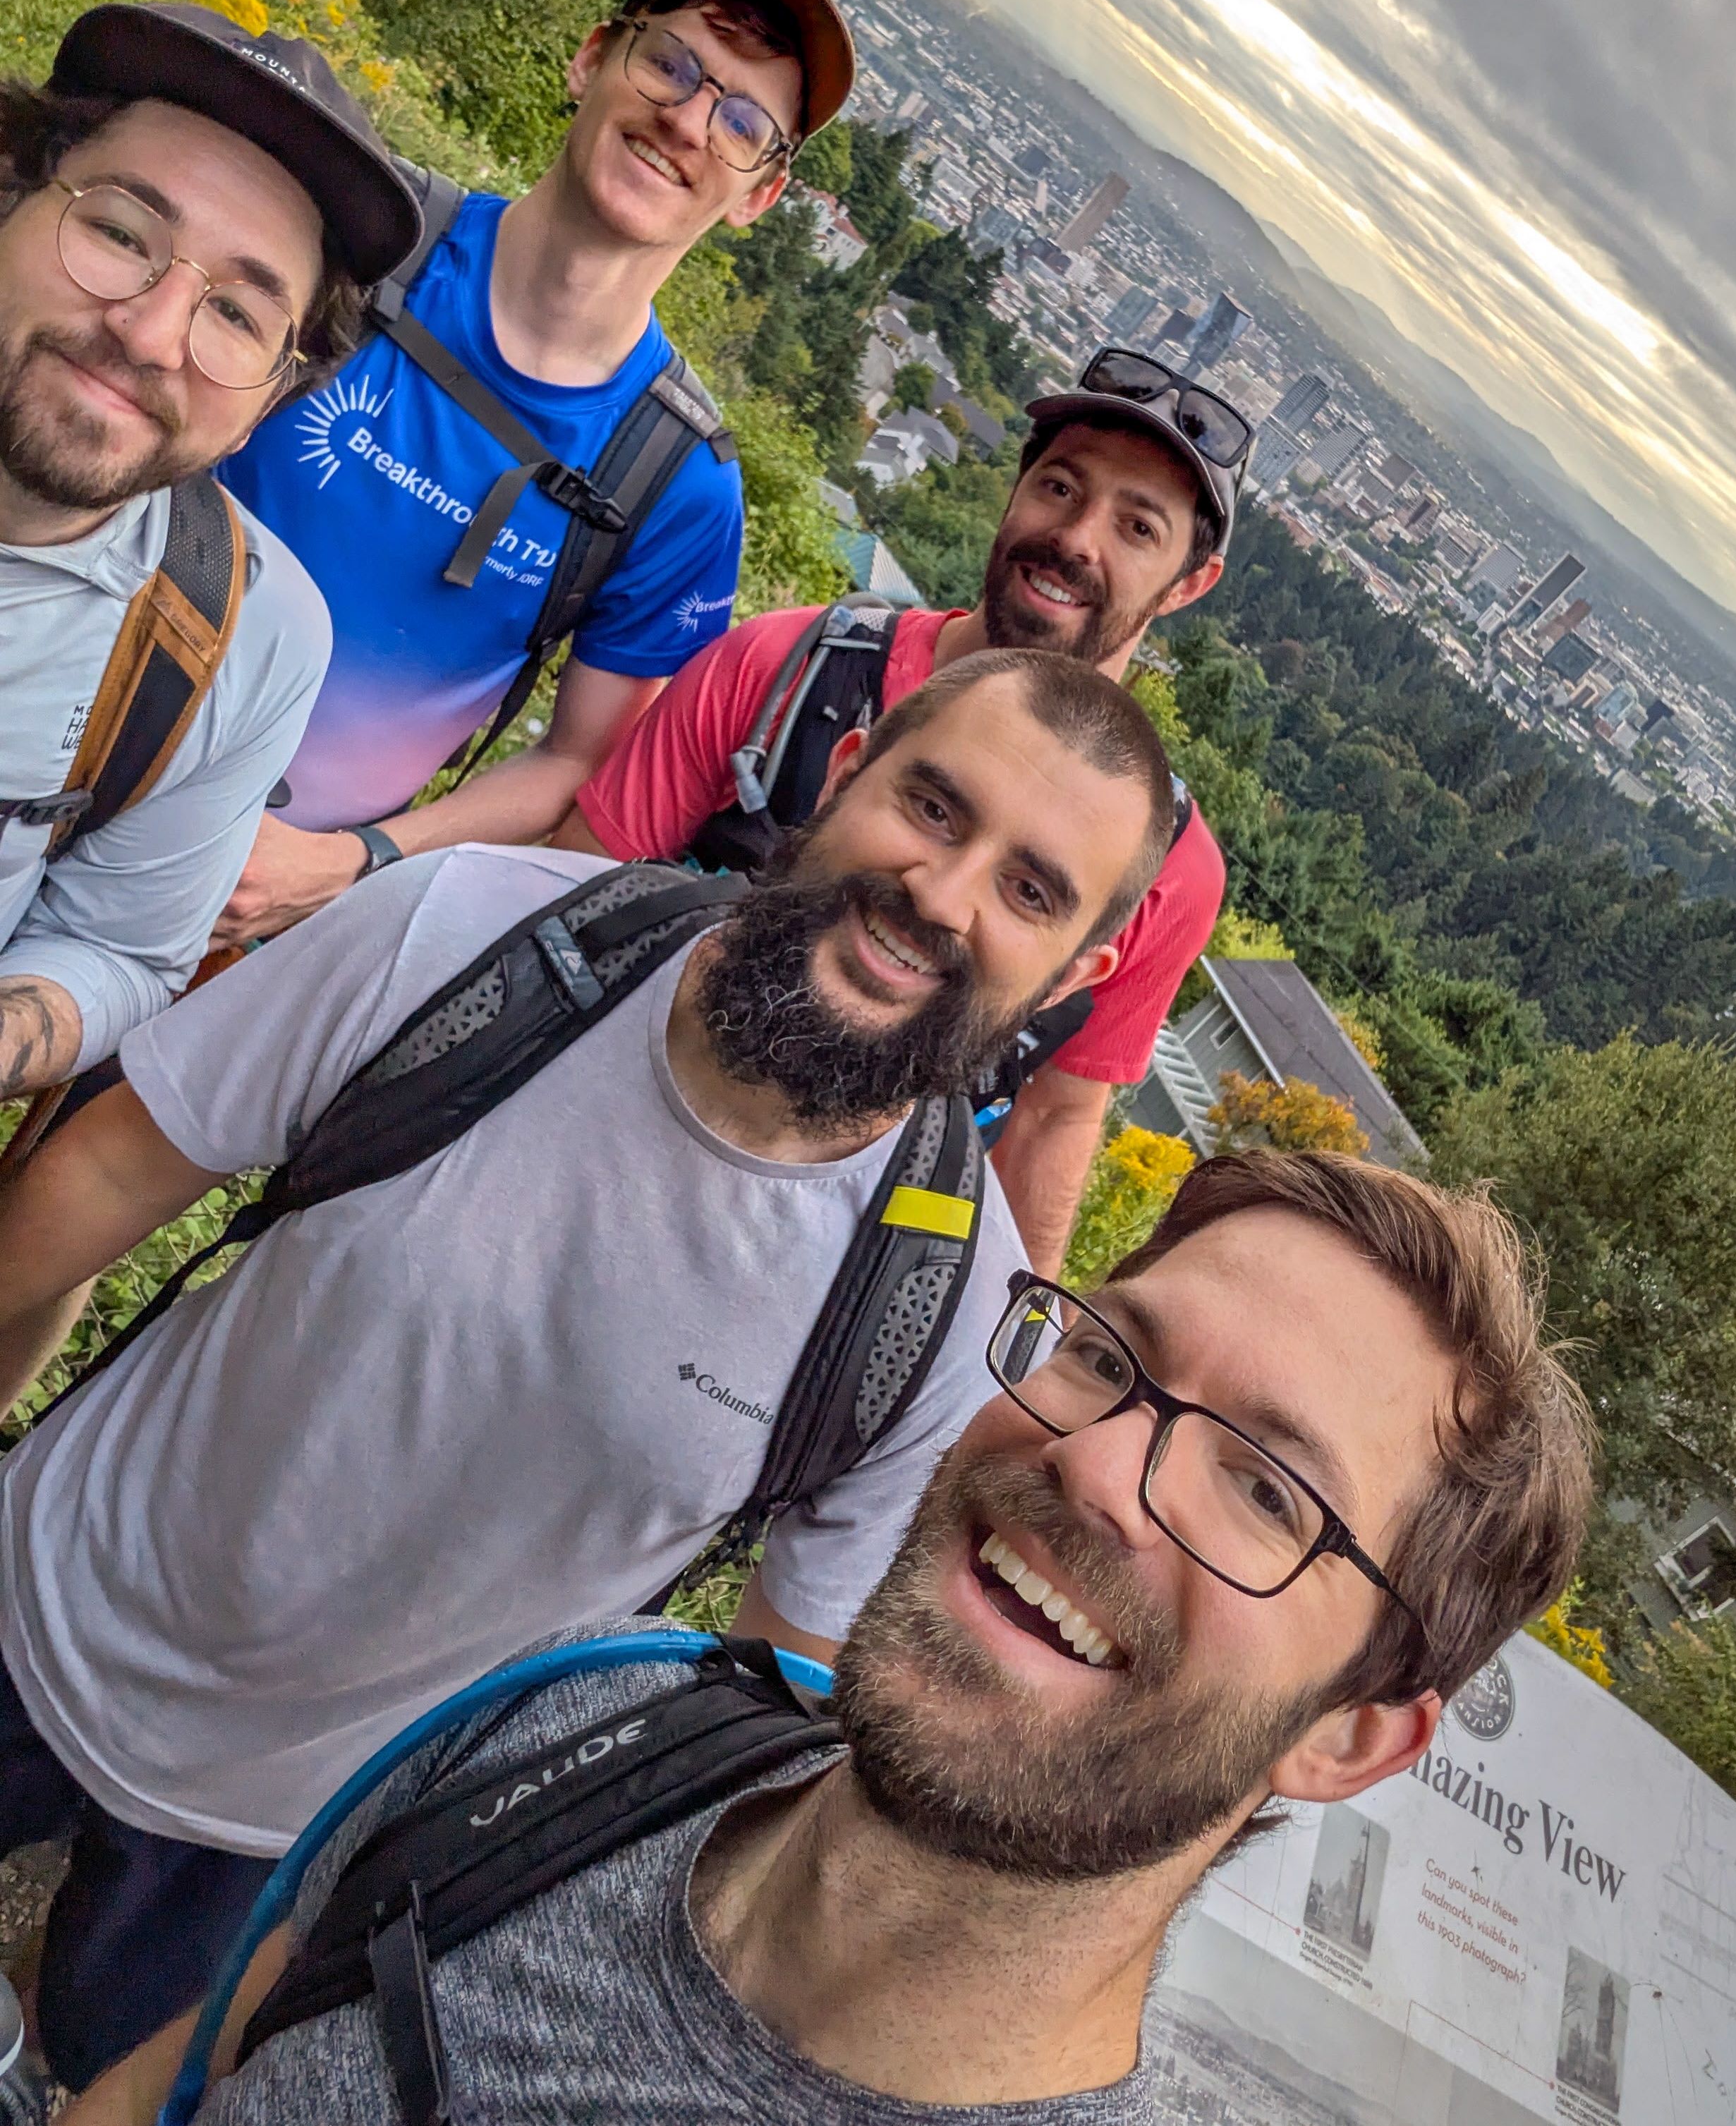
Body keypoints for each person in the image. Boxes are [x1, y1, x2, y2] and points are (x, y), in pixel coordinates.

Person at [0, 647, 1176, 2091]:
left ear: (1085, 968)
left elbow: (776, 1693)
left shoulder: (937, 1312)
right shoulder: (477, 932)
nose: (943, 895)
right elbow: (118, 1166)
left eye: (1031, 890)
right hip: (43, 1591)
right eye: (933, 807)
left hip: (306, 1842)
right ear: (852, 759)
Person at [76, 1148, 1595, 2124]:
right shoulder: (581, 1723)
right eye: (1106, 1356)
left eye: (1265, 1492)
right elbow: (178, 2082)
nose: (1099, 1463)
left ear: (1351, 1734)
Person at [211, 0, 856, 944]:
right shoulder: (369, 229)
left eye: (742, 121)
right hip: (64, 708)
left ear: (762, 194)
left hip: (262, 901)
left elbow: (581, 760)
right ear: (594, 56)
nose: (688, 120)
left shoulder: (679, 485)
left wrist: (352, 865)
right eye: (671, 63)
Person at [559, 346, 1253, 1270]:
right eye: (1059, 488)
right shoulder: (785, 671)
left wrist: (995, 1370)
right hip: (607, 1131)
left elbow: (1055, 1116)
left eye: (1137, 528)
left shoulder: (1166, 872)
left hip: (816, 1269)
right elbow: (580, 886)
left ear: (1188, 583)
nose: (1079, 539)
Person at [0, 2, 415, 1103]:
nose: (149, 334)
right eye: (122, 234)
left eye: (233, 313)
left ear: (268, 402)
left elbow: (124, 950)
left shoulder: (242, 634)